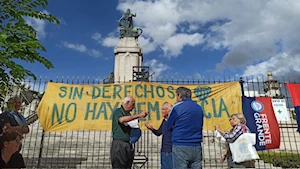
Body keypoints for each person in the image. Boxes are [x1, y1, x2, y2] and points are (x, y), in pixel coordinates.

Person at [166, 87, 204, 169]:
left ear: (179, 95)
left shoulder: (177, 107)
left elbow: (168, 126)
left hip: (181, 144)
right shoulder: (199, 108)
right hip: (196, 144)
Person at [110, 96, 148, 169]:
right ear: (127, 103)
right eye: (133, 104)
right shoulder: (118, 111)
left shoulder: (128, 114)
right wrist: (139, 115)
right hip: (120, 144)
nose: (134, 107)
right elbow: (121, 120)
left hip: (128, 143)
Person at [145, 102, 173, 169]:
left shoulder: (172, 121)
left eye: (164, 109)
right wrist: (151, 128)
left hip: (170, 149)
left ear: (169, 111)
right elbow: (159, 132)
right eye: (162, 109)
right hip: (164, 149)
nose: (162, 111)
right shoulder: (164, 121)